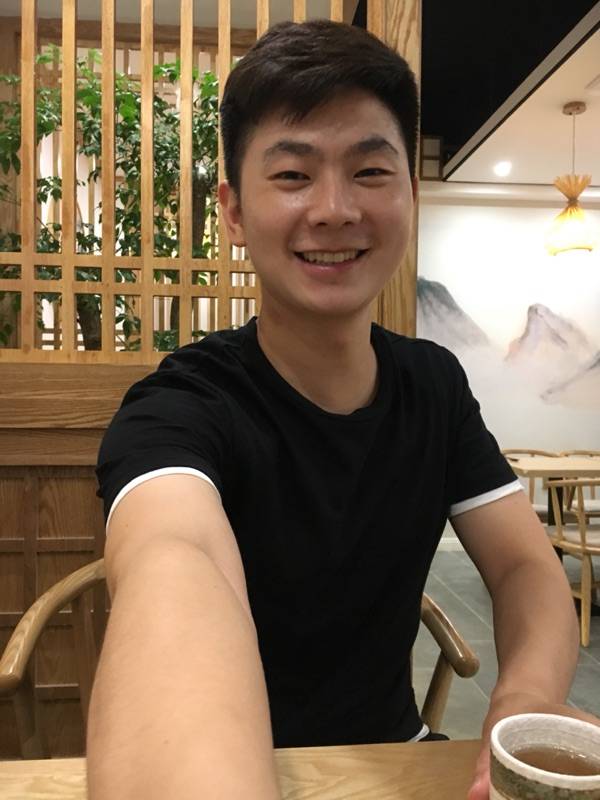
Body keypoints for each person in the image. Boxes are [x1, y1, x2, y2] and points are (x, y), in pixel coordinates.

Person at [88, 19, 595, 800]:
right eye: (293, 175)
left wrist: (524, 694)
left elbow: (525, 564)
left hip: (396, 757)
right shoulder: (183, 404)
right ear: (233, 211)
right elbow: (175, 558)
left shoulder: (433, 385)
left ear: (410, 196)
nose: (333, 208)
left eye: (370, 171)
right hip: (255, 767)